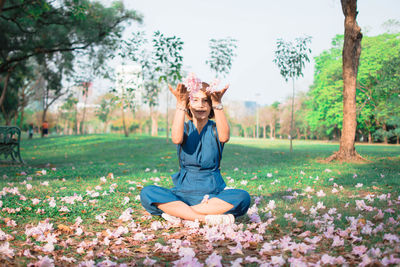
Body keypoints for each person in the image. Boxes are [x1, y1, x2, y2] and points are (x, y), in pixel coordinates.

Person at [140, 75, 251, 226]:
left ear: (211, 106)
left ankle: (182, 214)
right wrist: (180, 104)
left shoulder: (215, 128)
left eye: (206, 100)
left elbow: (224, 137)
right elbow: (176, 139)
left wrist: (218, 103)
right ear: (188, 104)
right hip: (182, 194)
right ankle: (205, 219)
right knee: (147, 192)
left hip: (213, 195)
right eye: (195, 100)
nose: (201, 105)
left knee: (243, 197)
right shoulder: (184, 127)